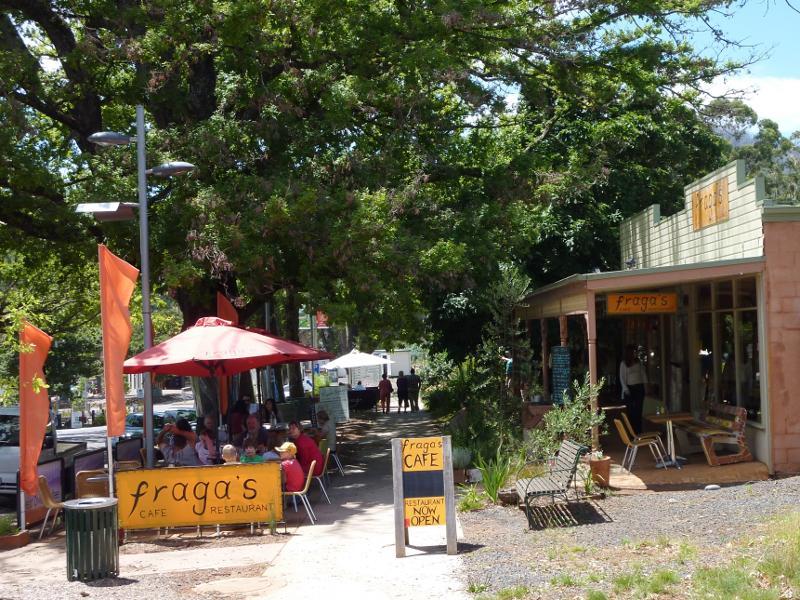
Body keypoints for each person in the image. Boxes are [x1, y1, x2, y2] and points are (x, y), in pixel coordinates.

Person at [620, 344, 648, 434]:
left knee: (638, 411)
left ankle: (639, 431)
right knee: (631, 412)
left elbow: (643, 374)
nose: (635, 353)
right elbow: (622, 377)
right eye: (633, 352)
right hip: (630, 389)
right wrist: (626, 389)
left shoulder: (638, 362)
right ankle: (631, 432)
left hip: (639, 388)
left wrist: (646, 386)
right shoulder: (624, 363)